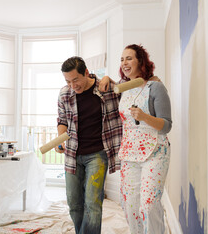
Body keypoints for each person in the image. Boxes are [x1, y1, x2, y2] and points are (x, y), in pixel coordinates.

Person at [101, 44, 172, 233]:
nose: (124, 62)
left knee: (148, 205)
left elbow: (167, 125)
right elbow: (104, 86)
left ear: (141, 61)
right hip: (129, 154)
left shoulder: (156, 88)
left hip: (155, 151)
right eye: (122, 59)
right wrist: (107, 78)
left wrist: (144, 117)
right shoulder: (124, 88)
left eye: (129, 58)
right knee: (130, 206)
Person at [55, 56, 122, 234]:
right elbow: (62, 120)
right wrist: (60, 138)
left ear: (86, 72)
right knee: (74, 203)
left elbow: (126, 88)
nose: (73, 85)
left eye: (75, 79)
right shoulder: (64, 94)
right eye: (68, 81)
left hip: (97, 155)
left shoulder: (105, 89)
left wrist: (109, 78)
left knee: (92, 202)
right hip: (72, 154)